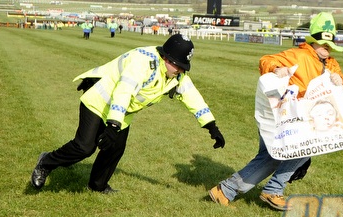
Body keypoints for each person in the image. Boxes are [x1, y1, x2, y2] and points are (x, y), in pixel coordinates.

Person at [31, 34, 226, 194]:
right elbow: (123, 91)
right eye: (178, 65)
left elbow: (192, 96)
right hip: (99, 102)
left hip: (122, 112)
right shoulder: (143, 63)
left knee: (115, 148)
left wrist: (211, 126)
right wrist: (113, 125)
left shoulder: (176, 74)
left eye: (184, 66)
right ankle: (46, 162)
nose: (181, 70)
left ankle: (97, 186)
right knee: (85, 148)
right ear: (166, 58)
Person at [208, 12, 343, 210]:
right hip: (283, 117)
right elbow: (266, 60)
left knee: (272, 158)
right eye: (322, 45)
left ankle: (225, 191)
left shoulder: (332, 63)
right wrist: (277, 69)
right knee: (290, 153)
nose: (326, 49)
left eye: (329, 46)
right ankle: (270, 190)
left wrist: (340, 81)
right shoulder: (298, 55)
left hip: (303, 120)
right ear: (312, 42)